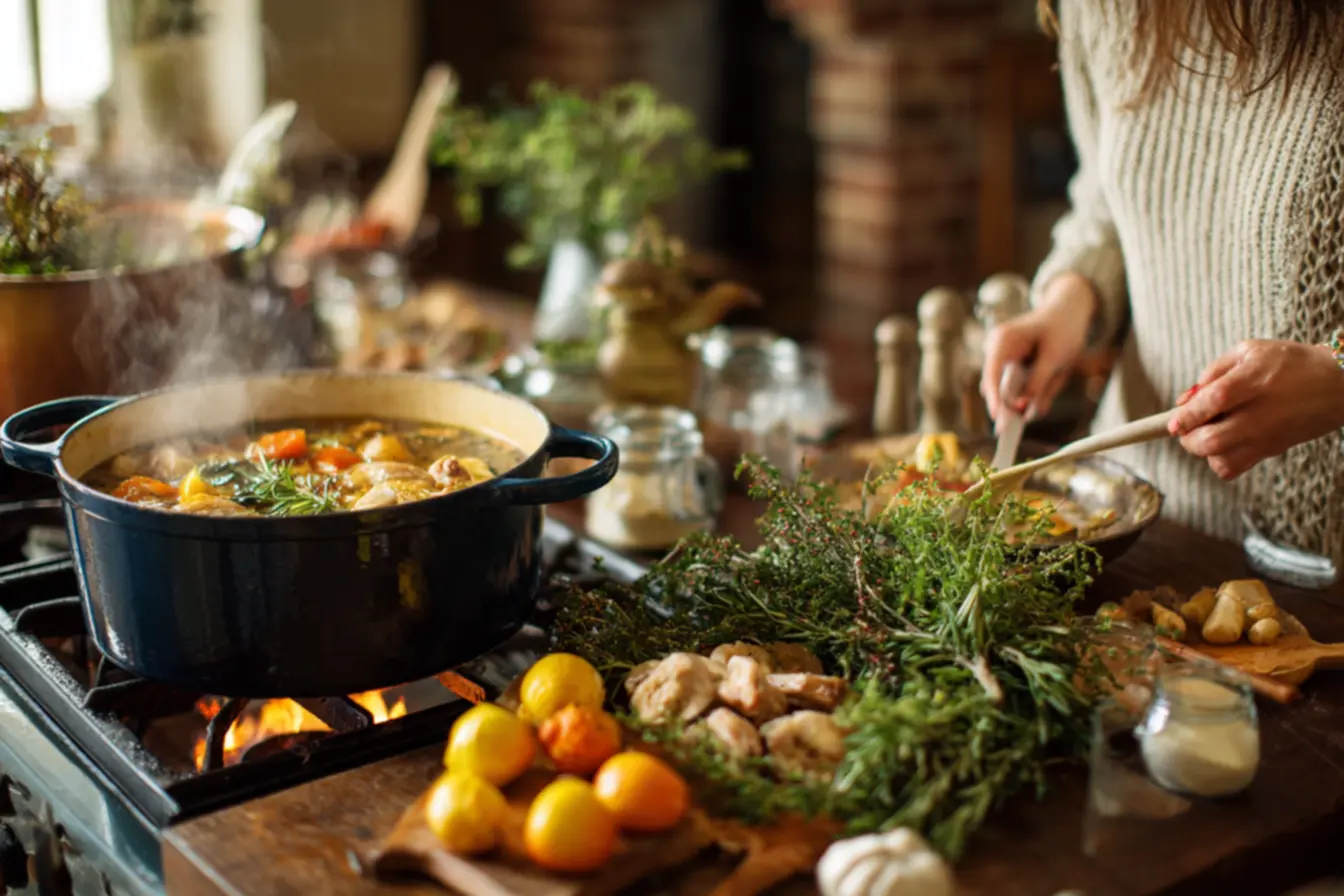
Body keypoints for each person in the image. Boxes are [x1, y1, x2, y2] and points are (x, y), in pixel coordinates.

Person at [981, 0, 1344, 561]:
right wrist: (1069, 300)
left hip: (1326, 566)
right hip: (1136, 526)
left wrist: (1336, 375)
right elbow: (1103, 198)